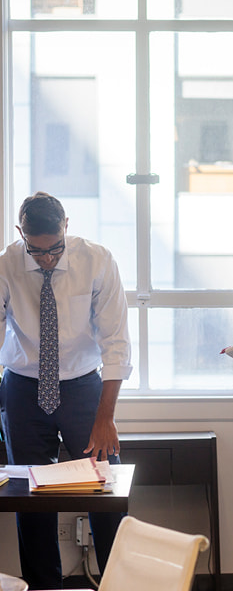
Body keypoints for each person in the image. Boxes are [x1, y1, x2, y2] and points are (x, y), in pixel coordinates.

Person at [0, 192, 132, 590]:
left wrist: (105, 417)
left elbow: (116, 342)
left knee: (105, 490)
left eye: (54, 249)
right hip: (22, 389)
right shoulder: (6, 264)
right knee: (29, 498)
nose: (46, 259)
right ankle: (44, 587)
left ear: (67, 227)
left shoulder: (97, 260)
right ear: (21, 232)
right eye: (36, 251)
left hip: (82, 389)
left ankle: (117, 583)